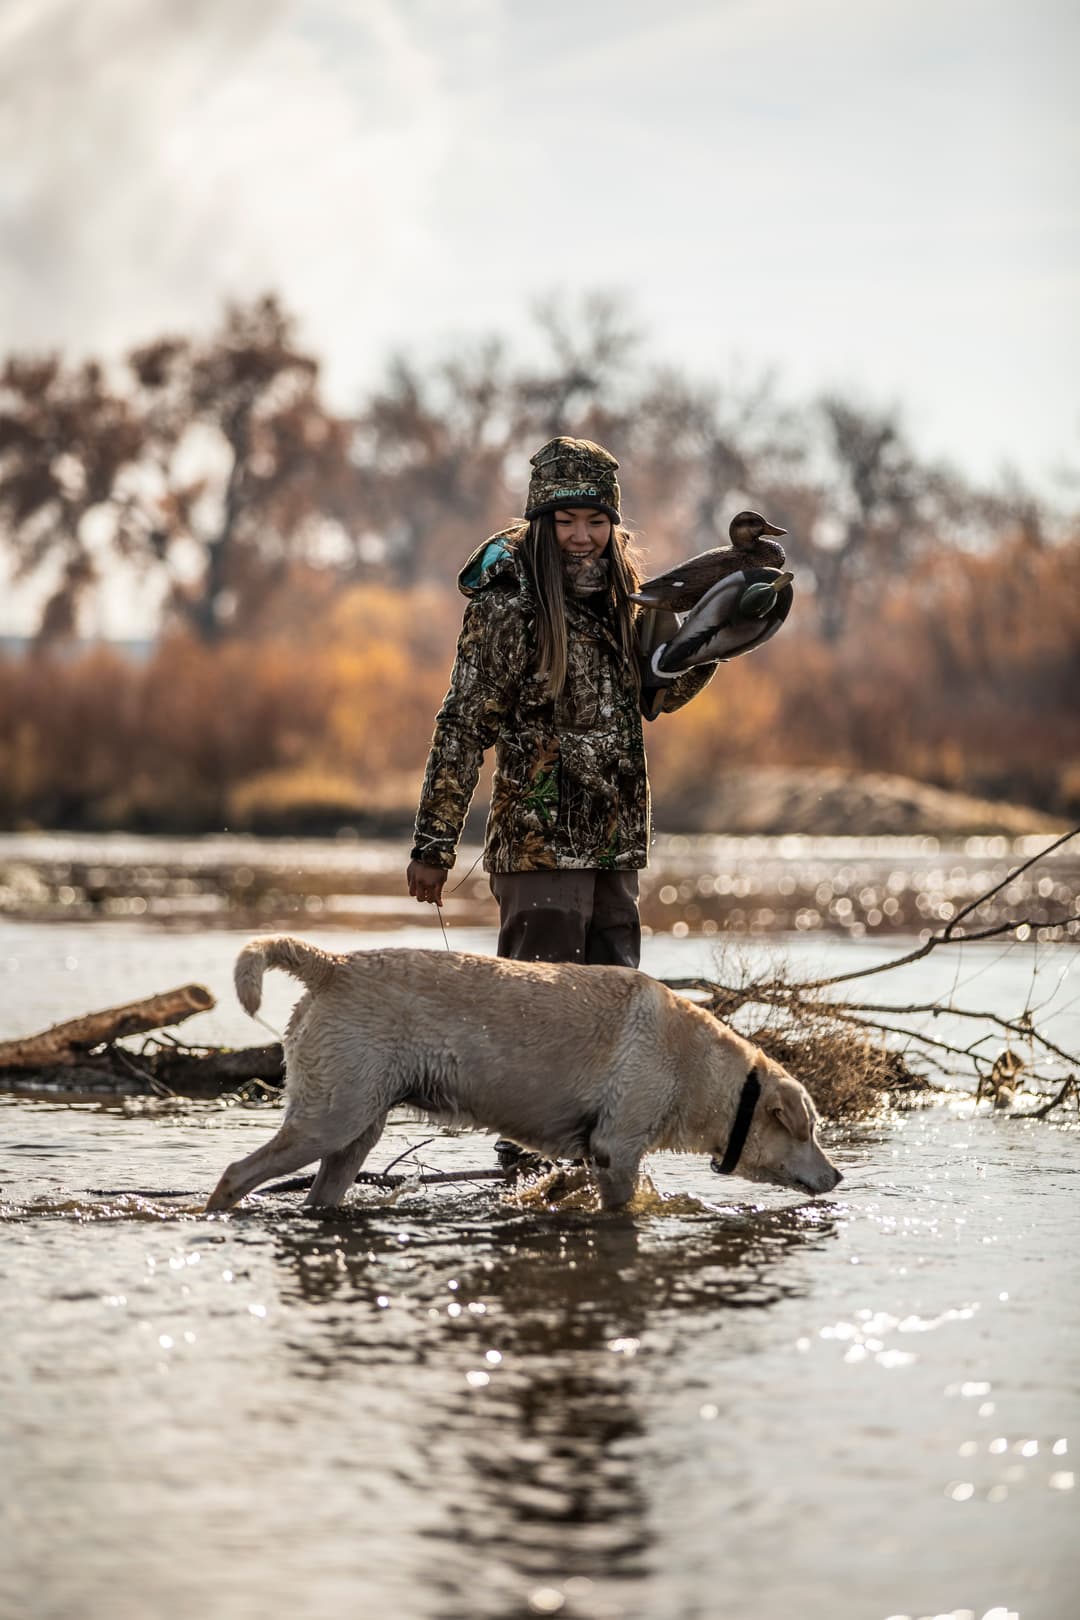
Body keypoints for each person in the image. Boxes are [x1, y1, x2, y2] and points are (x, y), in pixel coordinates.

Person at [406, 436, 717, 971]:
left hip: (615, 853)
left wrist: (712, 644)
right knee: (537, 1025)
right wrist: (433, 846)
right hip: (538, 855)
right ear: (541, 521)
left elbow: (656, 697)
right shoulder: (506, 605)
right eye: (566, 520)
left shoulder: (626, 599)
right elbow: (462, 725)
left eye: (596, 522)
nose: (582, 536)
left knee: (615, 1023)